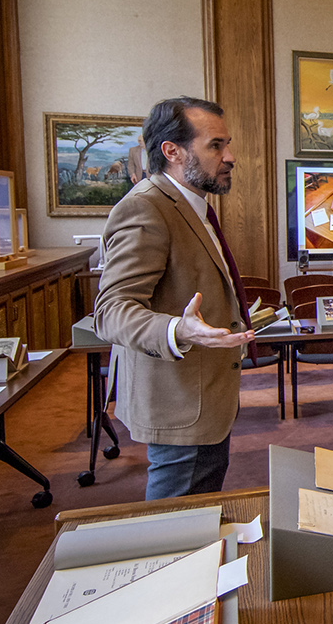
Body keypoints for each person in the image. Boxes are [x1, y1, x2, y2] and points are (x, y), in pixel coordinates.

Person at [95, 97, 256, 499]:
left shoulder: (190, 205)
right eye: (216, 145)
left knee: (197, 512)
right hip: (179, 404)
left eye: (227, 144)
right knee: (177, 529)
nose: (230, 156)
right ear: (173, 151)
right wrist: (176, 329)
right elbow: (111, 311)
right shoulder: (146, 208)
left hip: (203, 398)